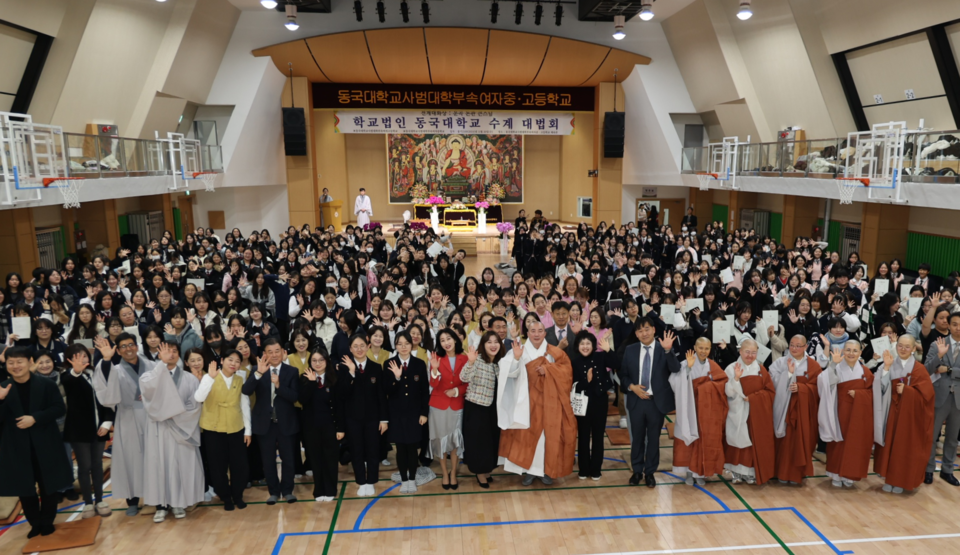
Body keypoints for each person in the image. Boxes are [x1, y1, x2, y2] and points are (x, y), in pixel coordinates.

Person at [0, 347, 74, 538]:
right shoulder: (3, 387)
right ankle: (35, 522)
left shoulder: (45, 384)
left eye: (19, 361)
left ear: (30, 362)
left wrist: (35, 418)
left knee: (49, 483)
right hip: (16, 446)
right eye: (11, 362)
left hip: (46, 442)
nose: (15, 366)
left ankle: (47, 521)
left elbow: (59, 408)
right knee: (24, 487)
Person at [498, 319, 576, 486]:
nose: (536, 334)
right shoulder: (519, 350)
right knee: (526, 435)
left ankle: (544, 471)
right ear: (527, 333)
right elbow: (507, 373)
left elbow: (567, 372)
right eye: (533, 331)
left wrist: (548, 369)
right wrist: (516, 359)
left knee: (546, 437)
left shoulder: (555, 352)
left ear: (545, 333)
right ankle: (529, 471)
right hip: (525, 401)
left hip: (549, 401)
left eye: (540, 331)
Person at [140, 341, 205, 522]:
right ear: (159, 354)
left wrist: (174, 414)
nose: (171, 354)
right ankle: (160, 506)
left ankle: (178, 503)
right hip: (159, 428)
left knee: (178, 466)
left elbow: (194, 406)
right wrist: (165, 413)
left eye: (174, 351)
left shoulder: (189, 378)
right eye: (166, 351)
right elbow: (148, 397)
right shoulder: (149, 376)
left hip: (181, 428)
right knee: (159, 465)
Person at [93, 333, 151, 516]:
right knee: (129, 460)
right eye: (123, 346)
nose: (128, 349)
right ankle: (132, 500)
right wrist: (106, 360)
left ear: (137, 346)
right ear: (117, 351)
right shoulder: (115, 369)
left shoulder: (152, 366)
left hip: (151, 417)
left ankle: (155, 498)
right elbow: (104, 387)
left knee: (152, 458)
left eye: (131, 344)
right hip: (127, 417)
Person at [619, 318, 679, 488]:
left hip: (656, 403)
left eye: (647, 329)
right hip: (636, 401)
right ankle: (637, 471)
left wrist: (668, 351)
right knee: (637, 438)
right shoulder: (630, 350)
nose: (644, 333)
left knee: (653, 439)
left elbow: (675, 369)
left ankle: (650, 472)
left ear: (653, 330)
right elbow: (623, 375)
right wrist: (632, 387)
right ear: (636, 334)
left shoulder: (663, 348)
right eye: (640, 331)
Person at [241, 337, 301, 504]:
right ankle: (273, 492)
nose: (274, 355)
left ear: (283, 352)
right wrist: (258, 374)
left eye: (277, 351)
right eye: (270, 352)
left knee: (288, 459)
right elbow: (246, 390)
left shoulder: (292, 371)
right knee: (268, 461)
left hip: (286, 422)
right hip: (264, 423)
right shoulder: (257, 369)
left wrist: (280, 386)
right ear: (264, 354)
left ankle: (288, 491)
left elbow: (295, 396)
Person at [874, 335, 934, 493]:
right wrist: (886, 369)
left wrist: (907, 391)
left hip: (909, 417)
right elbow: (878, 386)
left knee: (904, 447)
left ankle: (900, 481)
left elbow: (927, 397)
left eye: (907, 347)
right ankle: (889, 478)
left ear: (914, 349)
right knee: (889, 445)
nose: (903, 349)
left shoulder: (919, 369)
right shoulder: (889, 363)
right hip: (891, 412)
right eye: (900, 346)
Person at [61, 344, 114, 519]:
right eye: (76, 356)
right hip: (79, 431)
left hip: (100, 428)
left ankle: (99, 500)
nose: (81, 359)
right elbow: (69, 384)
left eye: (84, 355)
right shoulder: (67, 376)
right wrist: (76, 371)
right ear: (69, 360)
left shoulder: (96, 373)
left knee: (97, 465)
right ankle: (88, 503)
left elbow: (108, 399)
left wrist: (107, 422)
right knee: (85, 466)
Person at [195, 349, 251, 510]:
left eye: (237, 361)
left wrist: (248, 431)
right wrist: (209, 378)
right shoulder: (209, 377)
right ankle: (225, 497)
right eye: (230, 360)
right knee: (217, 466)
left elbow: (244, 405)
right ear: (222, 361)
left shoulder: (240, 378)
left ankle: (237, 495)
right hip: (213, 428)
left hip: (236, 427)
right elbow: (199, 398)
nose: (233, 364)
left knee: (239, 465)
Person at [668, 337, 728, 486]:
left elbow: (723, 383)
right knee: (689, 438)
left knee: (704, 440)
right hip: (690, 407)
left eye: (706, 348)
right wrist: (688, 370)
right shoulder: (685, 363)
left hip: (707, 411)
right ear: (695, 347)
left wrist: (707, 388)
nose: (703, 351)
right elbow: (674, 382)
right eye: (700, 348)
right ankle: (689, 473)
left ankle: (700, 473)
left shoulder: (713, 366)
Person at [818, 340, 875, 488]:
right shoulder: (837, 367)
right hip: (839, 410)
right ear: (843, 351)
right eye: (848, 350)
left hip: (858, 412)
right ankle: (835, 474)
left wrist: (859, 394)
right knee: (838, 442)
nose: (851, 353)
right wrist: (833, 365)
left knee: (854, 443)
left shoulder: (865, 372)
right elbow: (824, 384)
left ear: (860, 353)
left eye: (855, 350)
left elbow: (873, 393)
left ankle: (850, 475)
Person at [338, 333, 388, 497]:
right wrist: (352, 373)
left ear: (368, 347)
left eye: (362, 346)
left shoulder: (376, 367)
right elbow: (342, 394)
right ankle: (361, 482)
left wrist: (384, 419)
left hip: (373, 418)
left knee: (373, 450)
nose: (359, 349)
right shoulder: (344, 368)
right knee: (356, 451)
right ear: (350, 349)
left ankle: (371, 481)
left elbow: (381, 395)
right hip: (352, 418)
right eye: (355, 346)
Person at [723, 339, 776, 485]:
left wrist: (753, 398)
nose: (750, 356)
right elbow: (727, 393)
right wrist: (735, 379)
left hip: (756, 412)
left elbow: (770, 392)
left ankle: (751, 472)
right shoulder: (731, 368)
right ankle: (736, 472)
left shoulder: (761, 370)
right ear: (740, 351)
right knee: (737, 442)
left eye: (753, 353)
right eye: (747, 352)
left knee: (752, 442)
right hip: (737, 410)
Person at [384, 331, 429, 494]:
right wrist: (397, 378)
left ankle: (412, 479)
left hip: (414, 413)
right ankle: (404, 479)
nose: (403, 347)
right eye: (399, 344)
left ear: (412, 344)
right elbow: (386, 390)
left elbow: (424, 391)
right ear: (395, 345)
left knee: (412, 447)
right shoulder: (389, 363)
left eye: (406, 343)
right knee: (400, 448)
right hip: (396, 414)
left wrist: (424, 413)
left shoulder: (419, 364)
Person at [571, 331, 617, 481]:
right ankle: (583, 469)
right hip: (582, 404)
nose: (585, 347)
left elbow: (617, 364)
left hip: (600, 402)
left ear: (593, 345)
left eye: (588, 344)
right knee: (583, 437)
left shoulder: (600, 356)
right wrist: (587, 381)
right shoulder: (575, 362)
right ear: (578, 346)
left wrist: (608, 350)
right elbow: (573, 386)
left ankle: (596, 469)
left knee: (598, 437)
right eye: (582, 344)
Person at [460, 330, 504, 488]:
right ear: (483, 345)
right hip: (477, 408)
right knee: (478, 442)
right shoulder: (477, 359)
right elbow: (464, 377)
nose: (493, 345)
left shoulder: (500, 362)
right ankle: (479, 472)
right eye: (489, 342)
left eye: (496, 342)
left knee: (491, 440)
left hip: (494, 409)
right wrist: (470, 363)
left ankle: (487, 469)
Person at [299, 350, 341, 502]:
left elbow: (340, 406)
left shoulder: (334, 378)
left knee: (330, 459)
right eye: (314, 360)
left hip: (330, 426)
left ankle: (330, 489)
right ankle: (319, 490)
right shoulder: (304, 378)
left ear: (327, 361)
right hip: (311, 427)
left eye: (321, 360)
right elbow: (302, 400)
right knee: (315, 459)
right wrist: (312, 383)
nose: (317, 363)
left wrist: (340, 428)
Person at [428, 329, 468, 490]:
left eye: (449, 338)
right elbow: (433, 384)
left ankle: (453, 473)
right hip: (438, 406)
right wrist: (434, 370)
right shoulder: (436, 359)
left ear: (455, 339)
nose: (446, 342)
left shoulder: (465, 358)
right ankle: (445, 473)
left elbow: (469, 383)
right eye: (442, 340)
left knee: (455, 442)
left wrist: (456, 391)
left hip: (457, 404)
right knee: (441, 441)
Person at [923, 325, 960, 487]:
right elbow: (927, 369)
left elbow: (945, 370)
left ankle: (947, 470)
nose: (958, 328)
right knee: (931, 435)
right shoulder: (937, 343)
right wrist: (939, 355)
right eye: (955, 324)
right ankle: (928, 469)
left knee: (952, 438)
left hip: (958, 398)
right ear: (949, 326)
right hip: (938, 396)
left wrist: (949, 369)